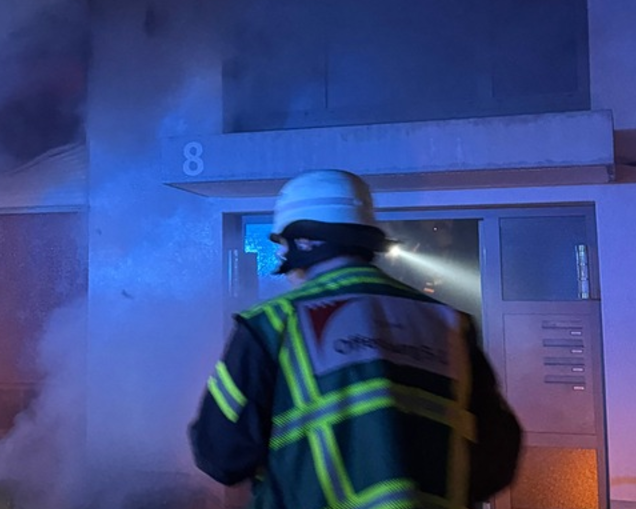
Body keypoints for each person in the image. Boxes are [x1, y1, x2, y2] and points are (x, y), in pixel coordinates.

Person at [189, 170, 522, 509]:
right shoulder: (448, 322)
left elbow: (221, 454)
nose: (281, 258)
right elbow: (498, 456)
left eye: (283, 244)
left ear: (303, 242)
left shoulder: (273, 325)